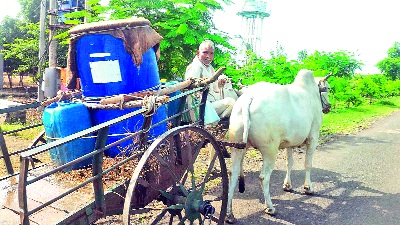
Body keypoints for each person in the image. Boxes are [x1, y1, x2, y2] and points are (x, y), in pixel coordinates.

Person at [184, 40, 236, 124]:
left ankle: (216, 121)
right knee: (231, 102)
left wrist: (220, 82)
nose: (208, 56)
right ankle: (215, 123)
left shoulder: (209, 67)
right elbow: (190, 85)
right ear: (198, 53)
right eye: (205, 52)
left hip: (210, 102)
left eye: (211, 53)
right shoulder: (195, 67)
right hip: (200, 106)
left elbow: (214, 87)